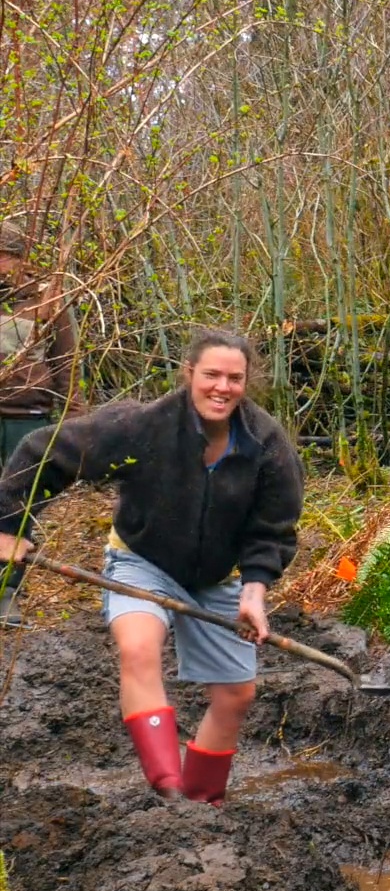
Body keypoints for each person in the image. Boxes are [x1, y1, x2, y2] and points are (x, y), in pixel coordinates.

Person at [0, 329, 304, 804]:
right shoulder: (142, 428)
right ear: (189, 375)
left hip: (218, 577)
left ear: (247, 383)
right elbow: (43, 452)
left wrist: (254, 590)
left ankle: (204, 801)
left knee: (236, 695)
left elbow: (273, 528)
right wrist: (12, 525)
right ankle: (169, 791)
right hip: (143, 561)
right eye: (211, 375)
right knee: (139, 648)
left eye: (234, 378)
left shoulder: (265, 445)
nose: (222, 387)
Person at [0, 224, 80, 627]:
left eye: (4, 258)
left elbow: (66, 363)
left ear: (19, 259)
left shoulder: (48, 298)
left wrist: (75, 424)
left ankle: (7, 590)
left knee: (15, 507)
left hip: (28, 420)